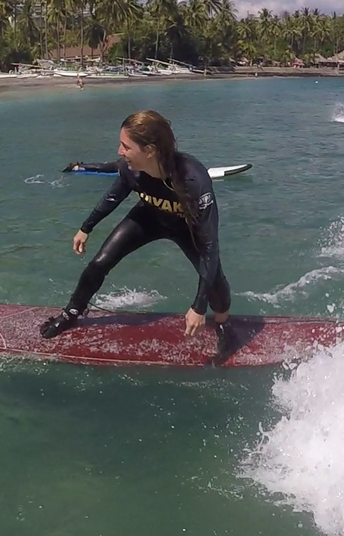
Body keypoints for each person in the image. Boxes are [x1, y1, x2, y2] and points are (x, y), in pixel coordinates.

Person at [41, 110, 235, 354]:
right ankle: (71, 312)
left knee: (214, 280)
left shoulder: (193, 180)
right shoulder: (129, 169)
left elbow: (210, 246)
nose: (119, 152)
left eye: (125, 146)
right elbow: (112, 197)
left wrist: (199, 306)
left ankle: (223, 324)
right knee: (99, 263)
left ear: (150, 150)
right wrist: (86, 228)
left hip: (188, 228)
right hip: (148, 217)